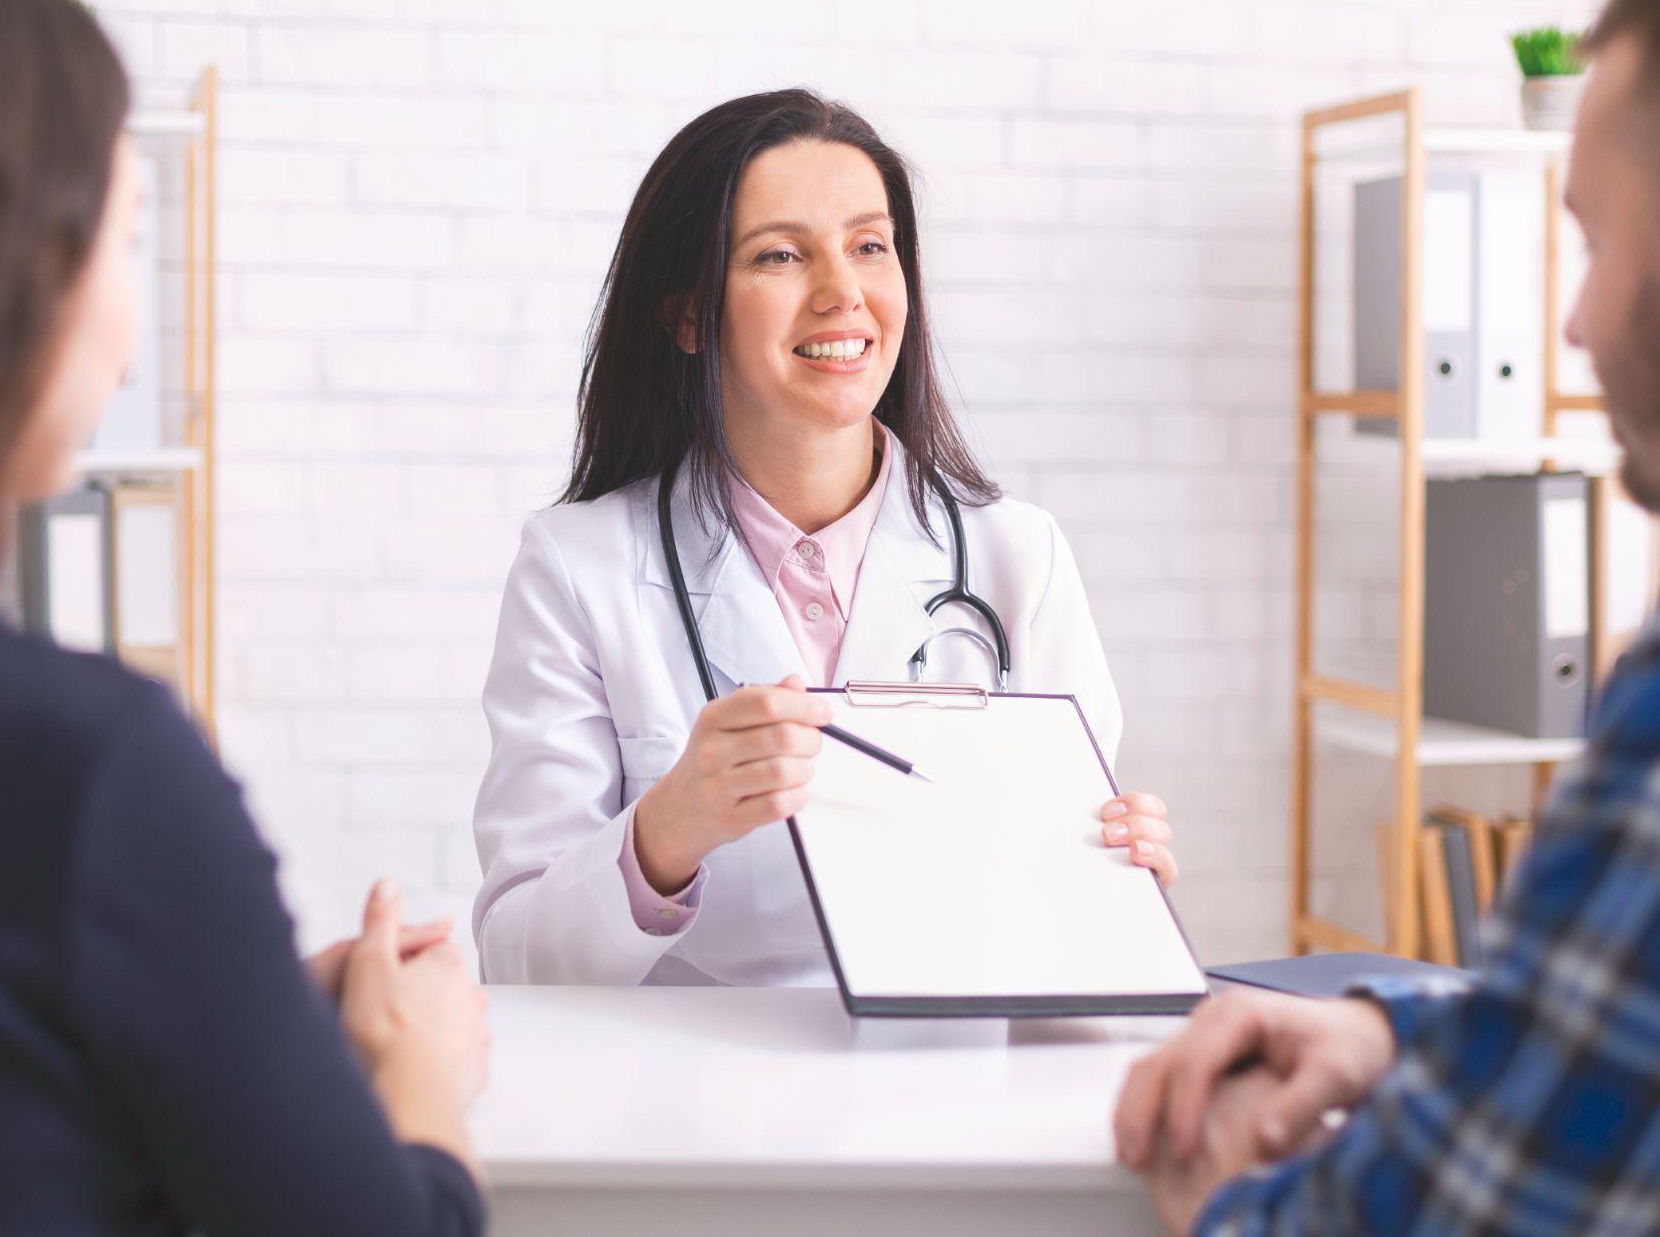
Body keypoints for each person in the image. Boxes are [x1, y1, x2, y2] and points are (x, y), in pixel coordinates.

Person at [1112, 0, 1660, 1231]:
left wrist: (1221, 1198)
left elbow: (1463, 1216)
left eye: (1598, 246)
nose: (1571, 322)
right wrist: (1392, 1030)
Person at [0, 0, 489, 1233]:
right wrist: (419, 1070)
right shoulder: (79, 773)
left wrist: (220, 1000)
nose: (130, 321)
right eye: (127, 234)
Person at [472, 89, 1178, 987]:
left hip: (949, 1100)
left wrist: (1118, 890)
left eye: (870, 246)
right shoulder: (578, 567)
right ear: (688, 315)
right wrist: (666, 831)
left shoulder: (1017, 557)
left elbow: (1075, 954)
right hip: (689, 1109)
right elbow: (516, 957)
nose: (844, 292)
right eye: (780, 254)